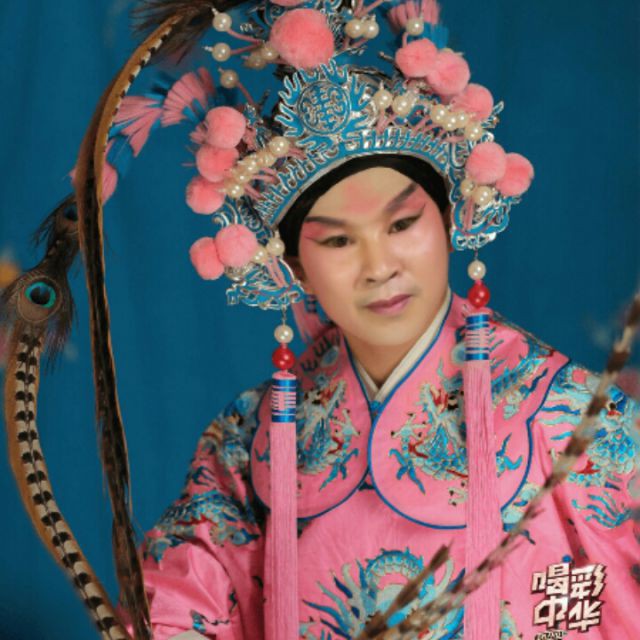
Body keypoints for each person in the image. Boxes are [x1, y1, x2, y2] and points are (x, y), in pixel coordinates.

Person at [3, 1, 638, 639]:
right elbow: (185, 604)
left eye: (402, 224)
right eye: (337, 241)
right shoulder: (248, 442)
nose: (379, 266)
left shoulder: (573, 419)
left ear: (450, 220)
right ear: (294, 268)